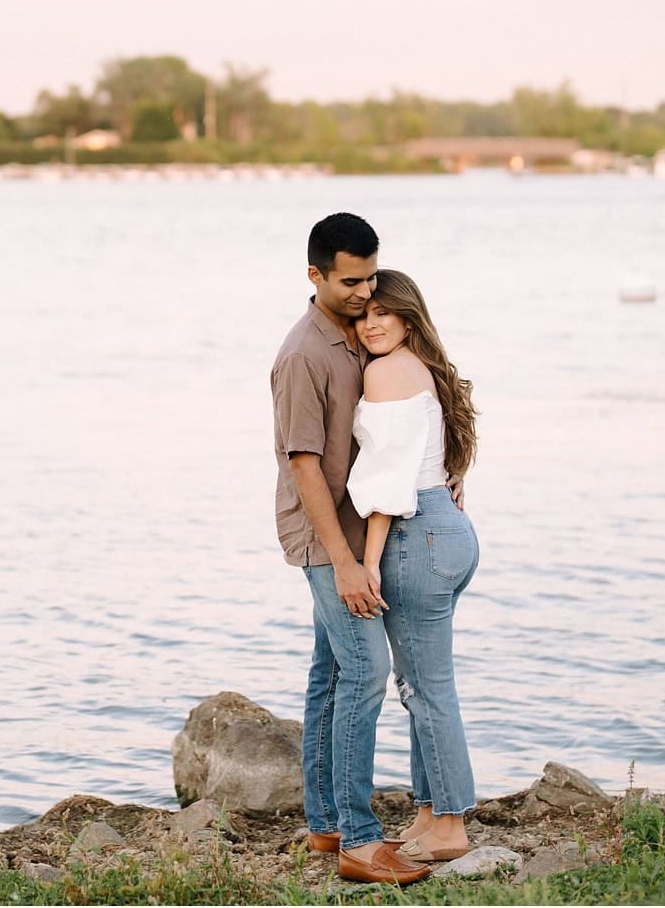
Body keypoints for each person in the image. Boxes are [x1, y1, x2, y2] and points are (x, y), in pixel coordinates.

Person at [269, 213, 431, 886]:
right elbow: (304, 463)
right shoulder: (303, 354)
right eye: (351, 280)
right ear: (315, 275)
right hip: (323, 536)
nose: (367, 291)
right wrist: (342, 562)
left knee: (331, 674)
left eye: (371, 275)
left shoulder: (356, 334)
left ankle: (326, 823)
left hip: (352, 527)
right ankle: (360, 843)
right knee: (363, 672)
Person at [346, 268, 481, 862]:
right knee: (420, 686)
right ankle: (429, 813)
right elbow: (441, 456)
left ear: (407, 317)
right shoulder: (422, 369)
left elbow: (387, 481)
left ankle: (451, 827)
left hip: (414, 533)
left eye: (383, 314)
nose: (371, 324)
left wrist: (368, 561)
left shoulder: (384, 371)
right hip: (445, 532)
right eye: (363, 315)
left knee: (427, 690)